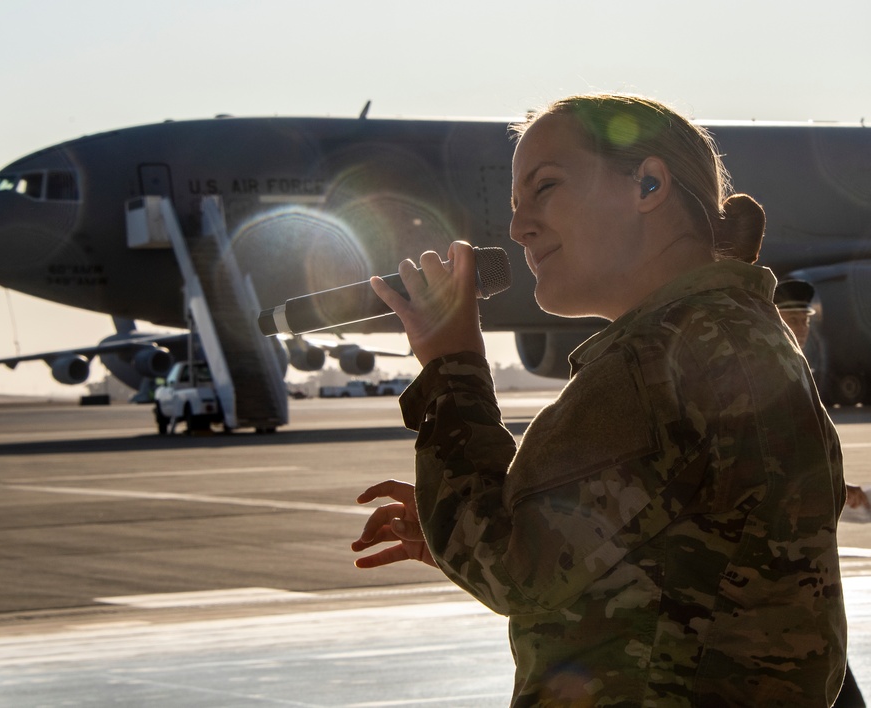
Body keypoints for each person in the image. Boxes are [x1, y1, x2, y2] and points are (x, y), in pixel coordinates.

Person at [351, 93, 847, 706]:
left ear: (647, 185)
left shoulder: (651, 365)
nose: (517, 227)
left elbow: (516, 571)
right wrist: (478, 519)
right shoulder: (744, 336)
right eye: (516, 202)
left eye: (546, 187)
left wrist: (452, 368)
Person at [774, 278, 868, 708]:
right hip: (783, 566)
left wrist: (843, 492)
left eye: (803, 319)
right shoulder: (772, 372)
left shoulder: (796, 369)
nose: (800, 327)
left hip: (804, 568)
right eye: (790, 318)